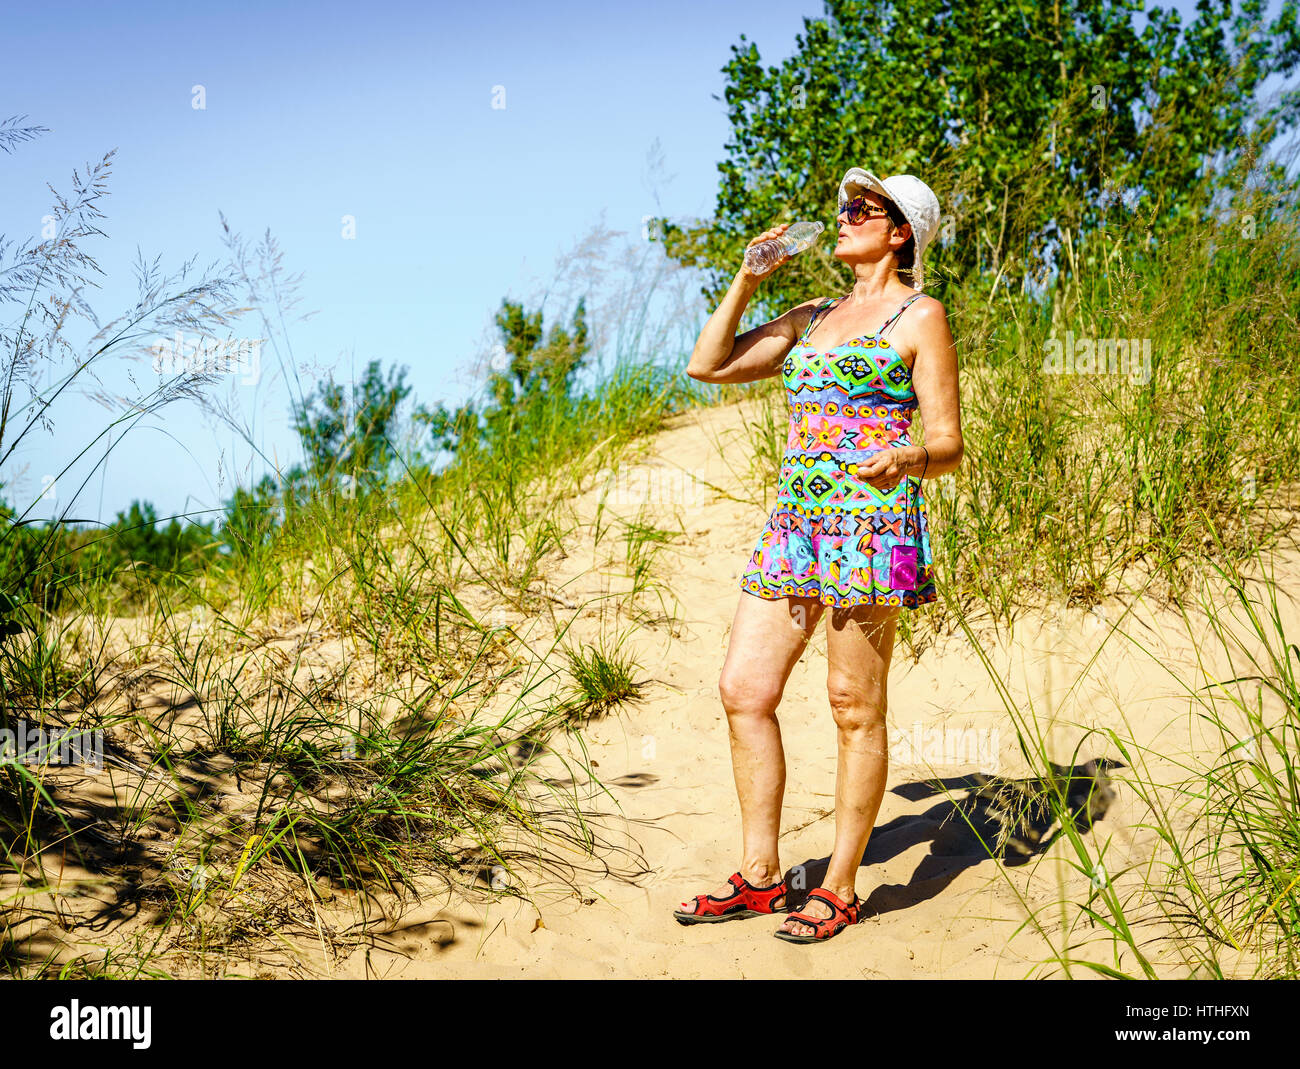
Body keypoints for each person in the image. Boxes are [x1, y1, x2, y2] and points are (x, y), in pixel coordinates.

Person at [675, 168, 964, 943]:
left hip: (871, 525)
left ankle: (838, 886)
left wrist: (903, 458)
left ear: (900, 230)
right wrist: (745, 276)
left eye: (861, 209)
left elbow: (947, 443)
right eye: (844, 206)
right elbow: (709, 365)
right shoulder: (812, 315)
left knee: (852, 704)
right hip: (795, 525)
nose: (843, 217)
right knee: (744, 687)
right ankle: (761, 875)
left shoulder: (919, 313)